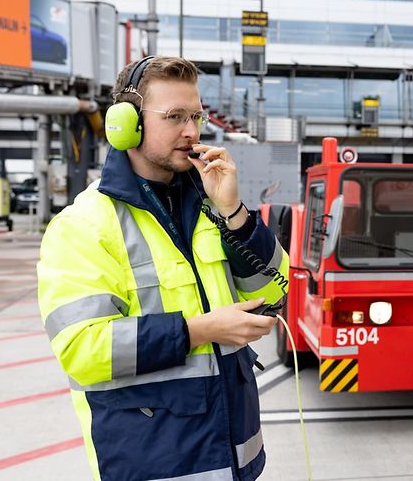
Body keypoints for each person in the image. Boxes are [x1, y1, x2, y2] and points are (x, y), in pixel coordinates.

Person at [37, 56, 289, 481]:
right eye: (174, 117)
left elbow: (274, 291)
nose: (192, 131)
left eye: (195, 116)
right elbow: (82, 349)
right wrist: (201, 330)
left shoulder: (212, 206)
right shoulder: (84, 224)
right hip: (155, 463)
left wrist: (235, 213)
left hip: (236, 459)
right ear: (126, 124)